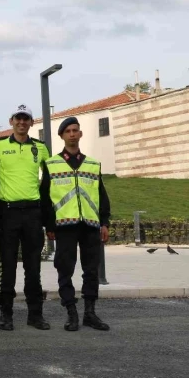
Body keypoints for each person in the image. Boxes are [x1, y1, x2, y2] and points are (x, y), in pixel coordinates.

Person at [40, 117, 111, 332]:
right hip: (64, 226)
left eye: (75, 130)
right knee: (65, 269)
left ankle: (90, 312)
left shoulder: (92, 164)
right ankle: (71, 312)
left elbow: (102, 195)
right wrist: (49, 226)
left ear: (80, 134)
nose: (72, 134)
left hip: (90, 225)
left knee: (91, 270)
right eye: (68, 131)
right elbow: (44, 198)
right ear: (61, 136)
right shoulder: (51, 164)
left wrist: (105, 222)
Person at [0, 104, 50, 331]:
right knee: (8, 266)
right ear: (11, 120)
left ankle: (35, 314)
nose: (22, 122)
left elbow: (49, 181)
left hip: (33, 213)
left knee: (33, 267)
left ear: (32, 123)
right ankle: (6, 314)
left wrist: (47, 216)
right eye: (18, 118)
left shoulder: (41, 148)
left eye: (26, 119)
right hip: (8, 212)